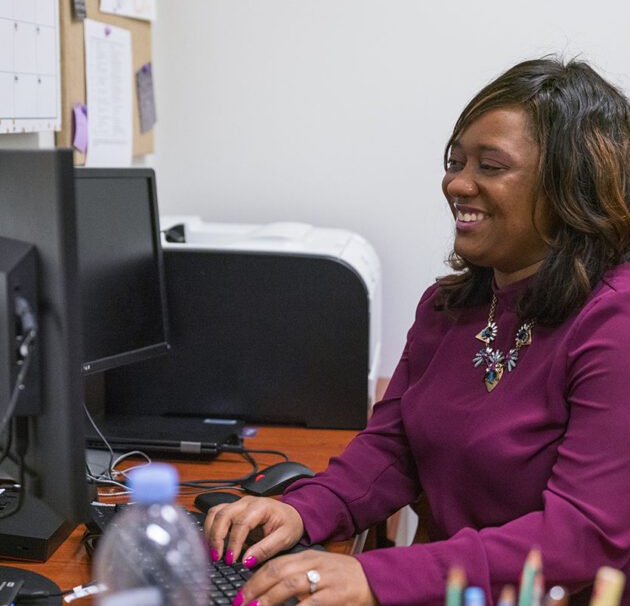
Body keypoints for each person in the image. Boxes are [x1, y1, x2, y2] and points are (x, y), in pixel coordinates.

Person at [204, 57, 630, 606]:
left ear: (570, 185)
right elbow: (396, 444)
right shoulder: (450, 305)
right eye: (455, 161)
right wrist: (303, 507)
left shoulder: (614, 322)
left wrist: (377, 577)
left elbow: (583, 538)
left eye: (491, 166)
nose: (457, 182)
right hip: (454, 588)